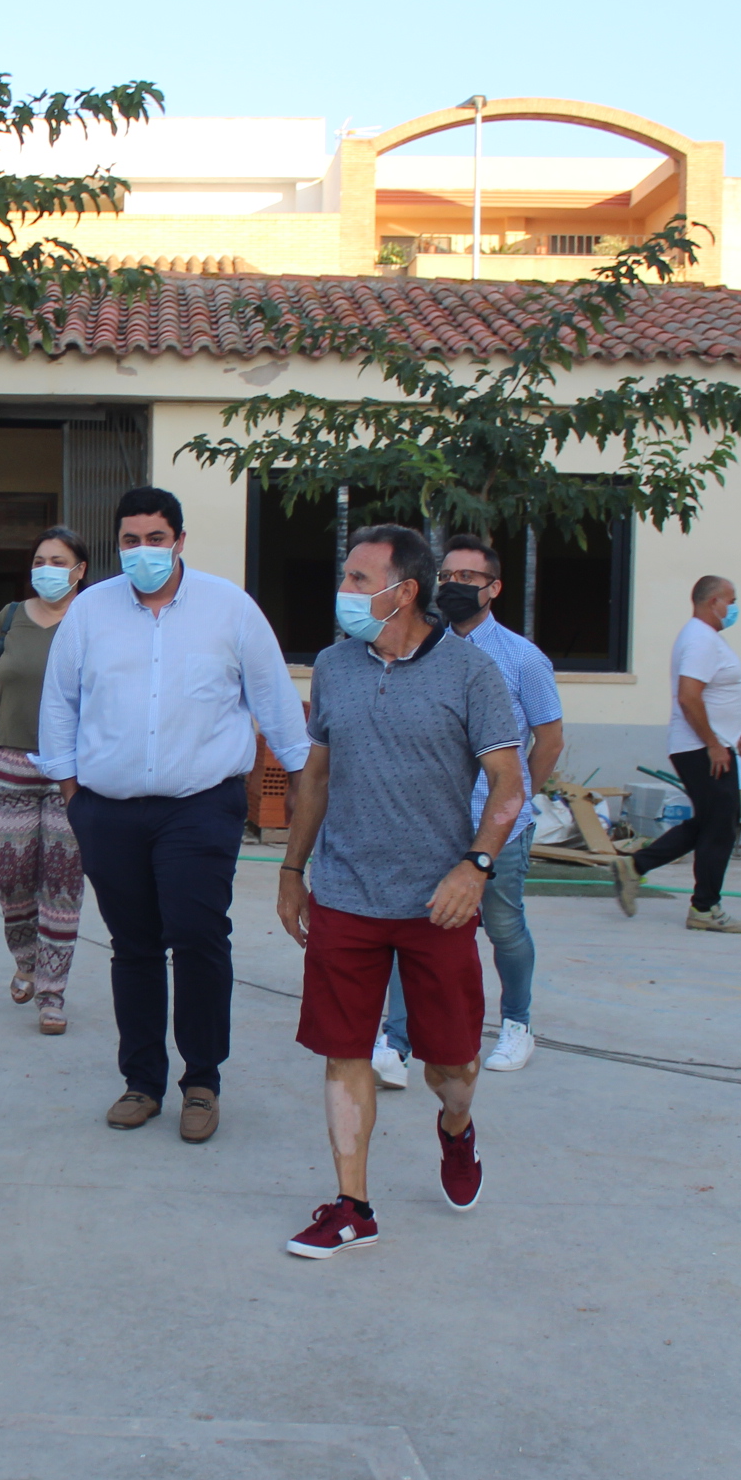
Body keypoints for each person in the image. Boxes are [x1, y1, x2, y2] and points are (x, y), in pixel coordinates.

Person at [275, 523, 525, 1260]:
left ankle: (456, 1130)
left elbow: (509, 786)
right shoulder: (334, 665)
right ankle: (352, 1205)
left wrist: (473, 868)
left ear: (404, 590)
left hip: (436, 901)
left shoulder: (470, 673)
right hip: (347, 892)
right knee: (344, 1050)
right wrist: (293, 872)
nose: (344, 591)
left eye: (358, 579)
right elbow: (316, 777)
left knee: (451, 1067)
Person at [35, 486, 309, 1144]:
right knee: (133, 946)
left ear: (179, 541)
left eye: (156, 539)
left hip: (200, 807)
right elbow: (60, 704)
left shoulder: (230, 609)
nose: (143, 552)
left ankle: (202, 1081)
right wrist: (75, 798)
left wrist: (304, 786)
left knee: (197, 937)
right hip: (108, 810)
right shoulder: (90, 612)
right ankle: (142, 1081)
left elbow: (273, 700)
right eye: (130, 540)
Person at [374, 533, 564, 1084]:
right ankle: (397, 1040)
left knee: (503, 926)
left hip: (498, 824)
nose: (455, 587)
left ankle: (517, 1023)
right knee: (414, 928)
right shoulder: (421, 649)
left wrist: (516, 800)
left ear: (494, 588)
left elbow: (548, 740)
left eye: (469, 579)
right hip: (430, 820)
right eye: (448, 577)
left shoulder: (522, 659)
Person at [0, 526, 91, 1035]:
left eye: (58, 560)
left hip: (75, 772)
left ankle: (52, 993)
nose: (46, 568)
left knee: (62, 882)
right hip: (12, 765)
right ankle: (25, 959)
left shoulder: (94, 618)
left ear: (79, 570)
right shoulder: (12, 617)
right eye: (39, 559)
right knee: (11, 873)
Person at [626, 575, 741, 933]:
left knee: (710, 823)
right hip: (701, 748)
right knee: (722, 826)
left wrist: (729, 736)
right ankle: (705, 908)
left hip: (708, 744)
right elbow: (688, 696)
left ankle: (635, 867)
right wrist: (714, 743)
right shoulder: (700, 639)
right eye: (732, 599)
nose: (735, 607)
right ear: (713, 602)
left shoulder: (706, 638)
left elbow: (710, 696)